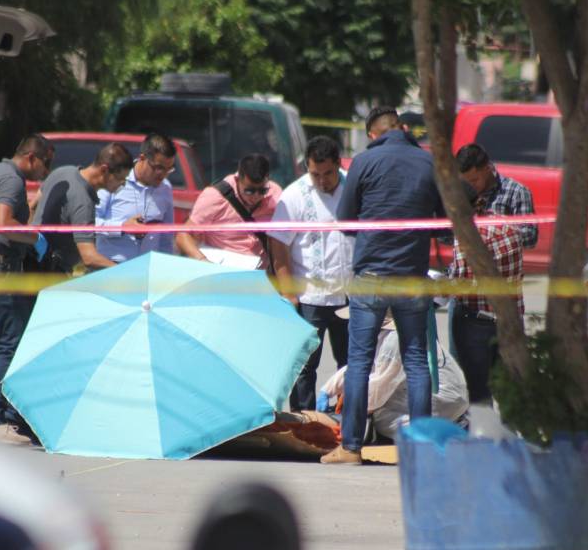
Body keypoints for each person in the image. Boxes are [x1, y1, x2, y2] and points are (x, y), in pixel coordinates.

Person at [321, 106, 444, 465]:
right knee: (416, 361)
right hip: (411, 275)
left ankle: (352, 447)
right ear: (402, 129)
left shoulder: (363, 162)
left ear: (373, 135)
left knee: (359, 361)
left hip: (371, 275)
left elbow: (345, 222)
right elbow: (443, 224)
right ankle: (420, 449)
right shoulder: (427, 163)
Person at [0, 134, 54, 444]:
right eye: (46, 163)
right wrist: (34, 237)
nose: (46, 171)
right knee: (9, 344)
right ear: (31, 157)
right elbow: (3, 223)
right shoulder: (13, 179)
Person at [268, 136, 353, 411]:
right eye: (315, 174)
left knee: (351, 363)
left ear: (338, 165)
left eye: (327, 173)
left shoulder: (354, 188)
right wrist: (288, 291)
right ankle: (304, 421)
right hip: (309, 297)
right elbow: (278, 243)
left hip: (348, 295)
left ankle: (349, 421)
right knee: (304, 366)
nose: (321, 180)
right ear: (307, 167)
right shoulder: (294, 195)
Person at [319, 311, 469, 440]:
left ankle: (444, 431)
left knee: (380, 417)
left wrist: (351, 413)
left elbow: (378, 388)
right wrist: (328, 389)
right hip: (445, 394)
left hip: (446, 398)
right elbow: (362, 367)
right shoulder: (385, 334)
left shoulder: (394, 339)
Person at [448, 179, 524, 404]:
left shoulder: (468, 234)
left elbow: (463, 282)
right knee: (509, 393)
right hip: (510, 319)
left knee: (479, 395)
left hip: (476, 322)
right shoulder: (507, 224)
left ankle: (486, 437)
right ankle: (510, 437)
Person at [32, 143, 133, 274]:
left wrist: (32, 243)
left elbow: (32, 206)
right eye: (120, 179)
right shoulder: (84, 201)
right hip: (50, 273)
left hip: (29, 263)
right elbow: (89, 258)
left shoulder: (62, 171)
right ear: (104, 170)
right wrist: (125, 271)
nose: (123, 184)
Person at [176, 154, 282, 270]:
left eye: (262, 190)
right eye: (249, 191)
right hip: (222, 271)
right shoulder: (214, 196)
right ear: (237, 180)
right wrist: (204, 262)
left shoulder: (275, 194)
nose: (256, 196)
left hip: (259, 274)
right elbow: (183, 236)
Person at [95, 133, 176, 263]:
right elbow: (90, 223)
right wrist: (121, 228)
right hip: (110, 266)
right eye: (158, 168)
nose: (163, 174)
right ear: (142, 158)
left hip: (147, 270)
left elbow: (166, 239)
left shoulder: (165, 188)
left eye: (169, 169)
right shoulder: (115, 179)